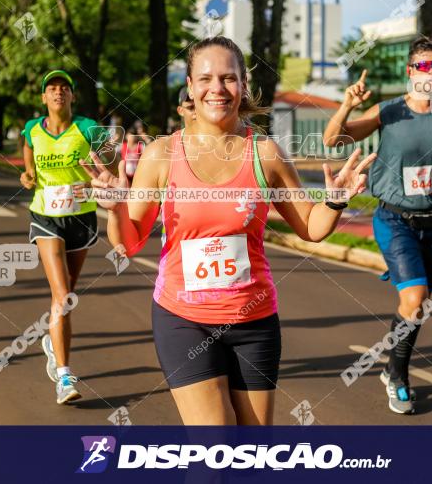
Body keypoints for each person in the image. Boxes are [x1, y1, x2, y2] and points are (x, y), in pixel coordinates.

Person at [84, 36, 375, 425]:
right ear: (189, 86)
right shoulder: (161, 155)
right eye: (205, 79)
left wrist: (335, 200)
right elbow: (128, 242)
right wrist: (117, 208)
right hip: (183, 318)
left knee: (252, 454)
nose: (217, 89)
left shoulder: (266, 154)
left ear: (243, 84)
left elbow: (309, 226)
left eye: (228, 78)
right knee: (216, 444)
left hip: (254, 320)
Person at [323, 36, 432, 415]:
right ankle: (397, 376)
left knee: (419, 303)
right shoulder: (389, 111)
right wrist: (347, 104)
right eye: (425, 66)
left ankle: (393, 358)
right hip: (394, 216)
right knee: (415, 297)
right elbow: (333, 140)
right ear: (410, 72)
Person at [20, 69, 109, 405]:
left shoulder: (88, 129)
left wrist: (95, 182)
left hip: (82, 218)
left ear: (72, 96)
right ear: (44, 97)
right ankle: (65, 375)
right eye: (52, 88)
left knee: (67, 295)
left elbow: (107, 168)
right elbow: (28, 156)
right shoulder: (32, 129)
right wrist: (28, 175)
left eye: (64, 88)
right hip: (45, 216)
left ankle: (51, 341)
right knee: (61, 295)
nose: (58, 92)